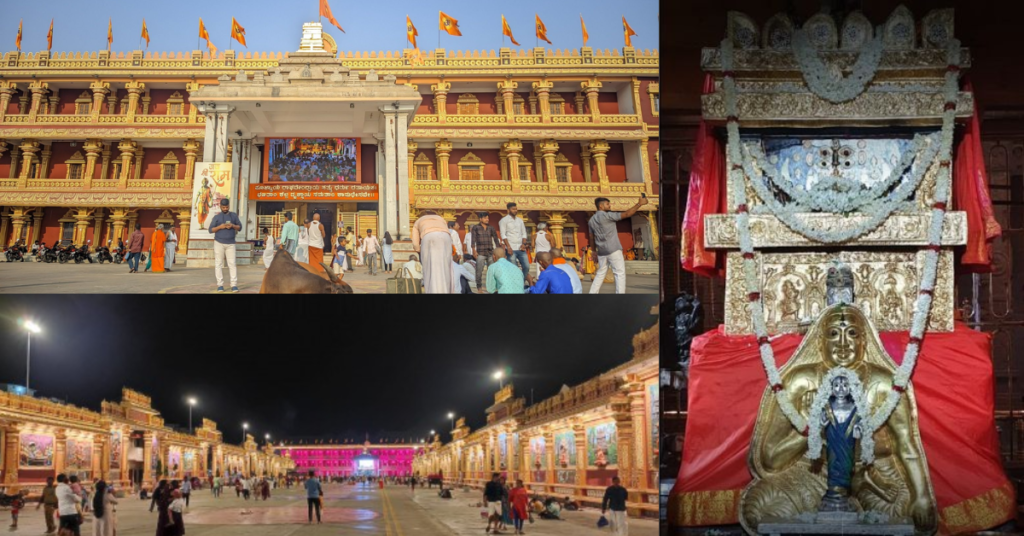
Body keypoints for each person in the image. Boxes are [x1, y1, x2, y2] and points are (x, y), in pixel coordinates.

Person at [588, 196, 647, 294]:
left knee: (600, 274)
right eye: (607, 204)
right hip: (613, 249)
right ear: (601, 206)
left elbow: (591, 237)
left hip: (601, 251)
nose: (610, 205)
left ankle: (592, 293)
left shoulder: (591, 220)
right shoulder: (608, 216)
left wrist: (593, 251)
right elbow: (627, 214)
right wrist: (639, 204)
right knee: (619, 273)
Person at [412, 213, 454, 294]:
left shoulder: (418, 221)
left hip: (428, 236)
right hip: (446, 237)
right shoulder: (440, 218)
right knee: (446, 267)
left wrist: (419, 250)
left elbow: (415, 243)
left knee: (429, 269)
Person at [208, 198, 241, 292]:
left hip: (231, 243)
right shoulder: (217, 217)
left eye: (227, 207)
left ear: (229, 206)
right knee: (218, 264)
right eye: (223, 207)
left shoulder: (233, 215)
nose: (225, 208)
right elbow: (210, 230)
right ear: (220, 207)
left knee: (232, 264)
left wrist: (233, 226)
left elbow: (240, 227)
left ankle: (234, 285)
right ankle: (220, 285)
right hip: (219, 243)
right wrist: (220, 227)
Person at [471, 212, 501, 293]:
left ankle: (492, 288)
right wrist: (474, 251)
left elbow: (496, 239)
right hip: (480, 252)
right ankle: (479, 288)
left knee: (492, 271)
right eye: (485, 218)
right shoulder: (476, 228)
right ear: (480, 219)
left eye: (488, 218)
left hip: (490, 252)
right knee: (479, 271)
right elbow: (473, 240)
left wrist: (498, 250)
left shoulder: (491, 228)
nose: (487, 219)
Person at [500, 202, 530, 281]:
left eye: (516, 209)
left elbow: (524, 233)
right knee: (513, 268)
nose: (515, 210)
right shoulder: (503, 221)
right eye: (513, 209)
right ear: (508, 210)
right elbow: (503, 235)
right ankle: (514, 283)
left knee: (527, 266)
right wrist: (508, 247)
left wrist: (524, 244)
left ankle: (521, 281)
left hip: (521, 248)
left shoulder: (520, 221)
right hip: (511, 249)